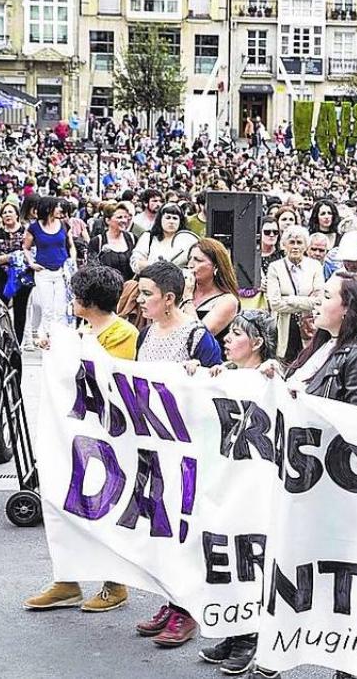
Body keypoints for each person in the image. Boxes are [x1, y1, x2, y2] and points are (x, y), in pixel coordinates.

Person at [23, 265, 136, 615]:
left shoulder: (123, 333)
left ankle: (114, 582)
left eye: (76, 295)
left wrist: (67, 350)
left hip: (107, 437)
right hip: (75, 433)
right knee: (63, 499)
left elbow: (108, 378)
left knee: (104, 506)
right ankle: (67, 579)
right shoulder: (83, 330)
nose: (72, 300)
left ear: (89, 301)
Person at [132, 260, 222, 648]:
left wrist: (199, 376)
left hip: (188, 451)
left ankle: (188, 610)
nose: (139, 300)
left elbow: (223, 387)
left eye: (147, 294)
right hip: (153, 448)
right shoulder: (146, 333)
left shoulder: (197, 337)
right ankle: (171, 600)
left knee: (185, 528)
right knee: (162, 528)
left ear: (169, 299)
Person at [191, 309, 278, 675]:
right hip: (224, 483)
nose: (227, 339)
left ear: (256, 343)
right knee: (225, 556)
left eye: (237, 334)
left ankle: (251, 636)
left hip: (255, 488)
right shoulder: (227, 376)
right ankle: (233, 630)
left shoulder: (271, 378)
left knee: (250, 559)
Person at [275, 271, 357, 412]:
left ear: (348, 308)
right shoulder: (325, 342)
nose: (317, 301)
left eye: (327, 296)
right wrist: (274, 376)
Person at [266, 225, 325, 362]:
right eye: (292, 242)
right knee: (284, 363)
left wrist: (290, 299)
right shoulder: (275, 268)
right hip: (284, 326)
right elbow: (274, 304)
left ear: (306, 246)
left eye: (299, 243)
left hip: (308, 325)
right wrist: (306, 302)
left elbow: (319, 301)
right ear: (284, 245)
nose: (295, 247)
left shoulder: (315, 266)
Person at [22, 195, 75, 345]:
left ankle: (60, 338)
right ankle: (46, 339)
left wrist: (72, 262)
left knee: (61, 307)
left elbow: (71, 245)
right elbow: (26, 247)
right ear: (48, 208)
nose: (59, 209)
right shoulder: (34, 227)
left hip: (62, 271)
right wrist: (31, 263)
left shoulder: (64, 224)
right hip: (43, 271)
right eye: (56, 206)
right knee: (47, 308)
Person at [185, 238, 239, 343]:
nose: (190, 265)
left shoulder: (227, 301)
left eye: (198, 260)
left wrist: (187, 298)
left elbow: (198, 337)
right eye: (190, 259)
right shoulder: (181, 292)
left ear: (216, 266)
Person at [0, 200, 30, 339]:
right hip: (3, 275)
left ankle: (18, 344)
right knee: (0, 310)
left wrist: (21, 258)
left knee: (20, 310)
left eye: (10, 212)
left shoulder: (26, 232)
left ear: (17, 215)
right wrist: (7, 258)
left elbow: (33, 253)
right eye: (4, 213)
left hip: (23, 276)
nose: (7, 215)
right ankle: (0, 341)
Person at [131, 203, 198, 273]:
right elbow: (135, 263)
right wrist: (157, 265)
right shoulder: (148, 237)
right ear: (160, 219)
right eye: (168, 217)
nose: (171, 222)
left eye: (175, 218)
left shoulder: (188, 240)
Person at [87, 201, 136, 282]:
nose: (124, 220)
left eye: (125, 217)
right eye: (119, 217)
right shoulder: (97, 242)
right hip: (106, 291)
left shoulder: (132, 238)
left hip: (130, 291)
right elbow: (91, 270)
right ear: (108, 220)